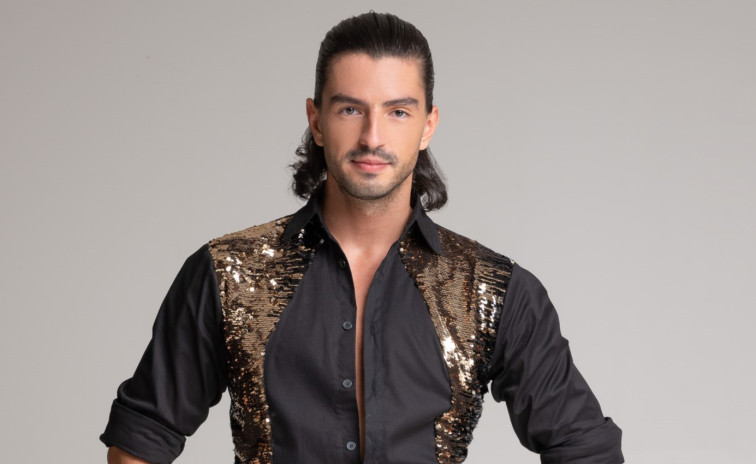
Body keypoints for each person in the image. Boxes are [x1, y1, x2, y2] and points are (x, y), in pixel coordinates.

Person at [101, 11, 623, 464]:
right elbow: (141, 439)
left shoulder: (495, 291)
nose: (373, 137)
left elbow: (585, 449)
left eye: (398, 112)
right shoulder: (225, 274)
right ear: (317, 121)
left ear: (427, 125)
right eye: (350, 109)